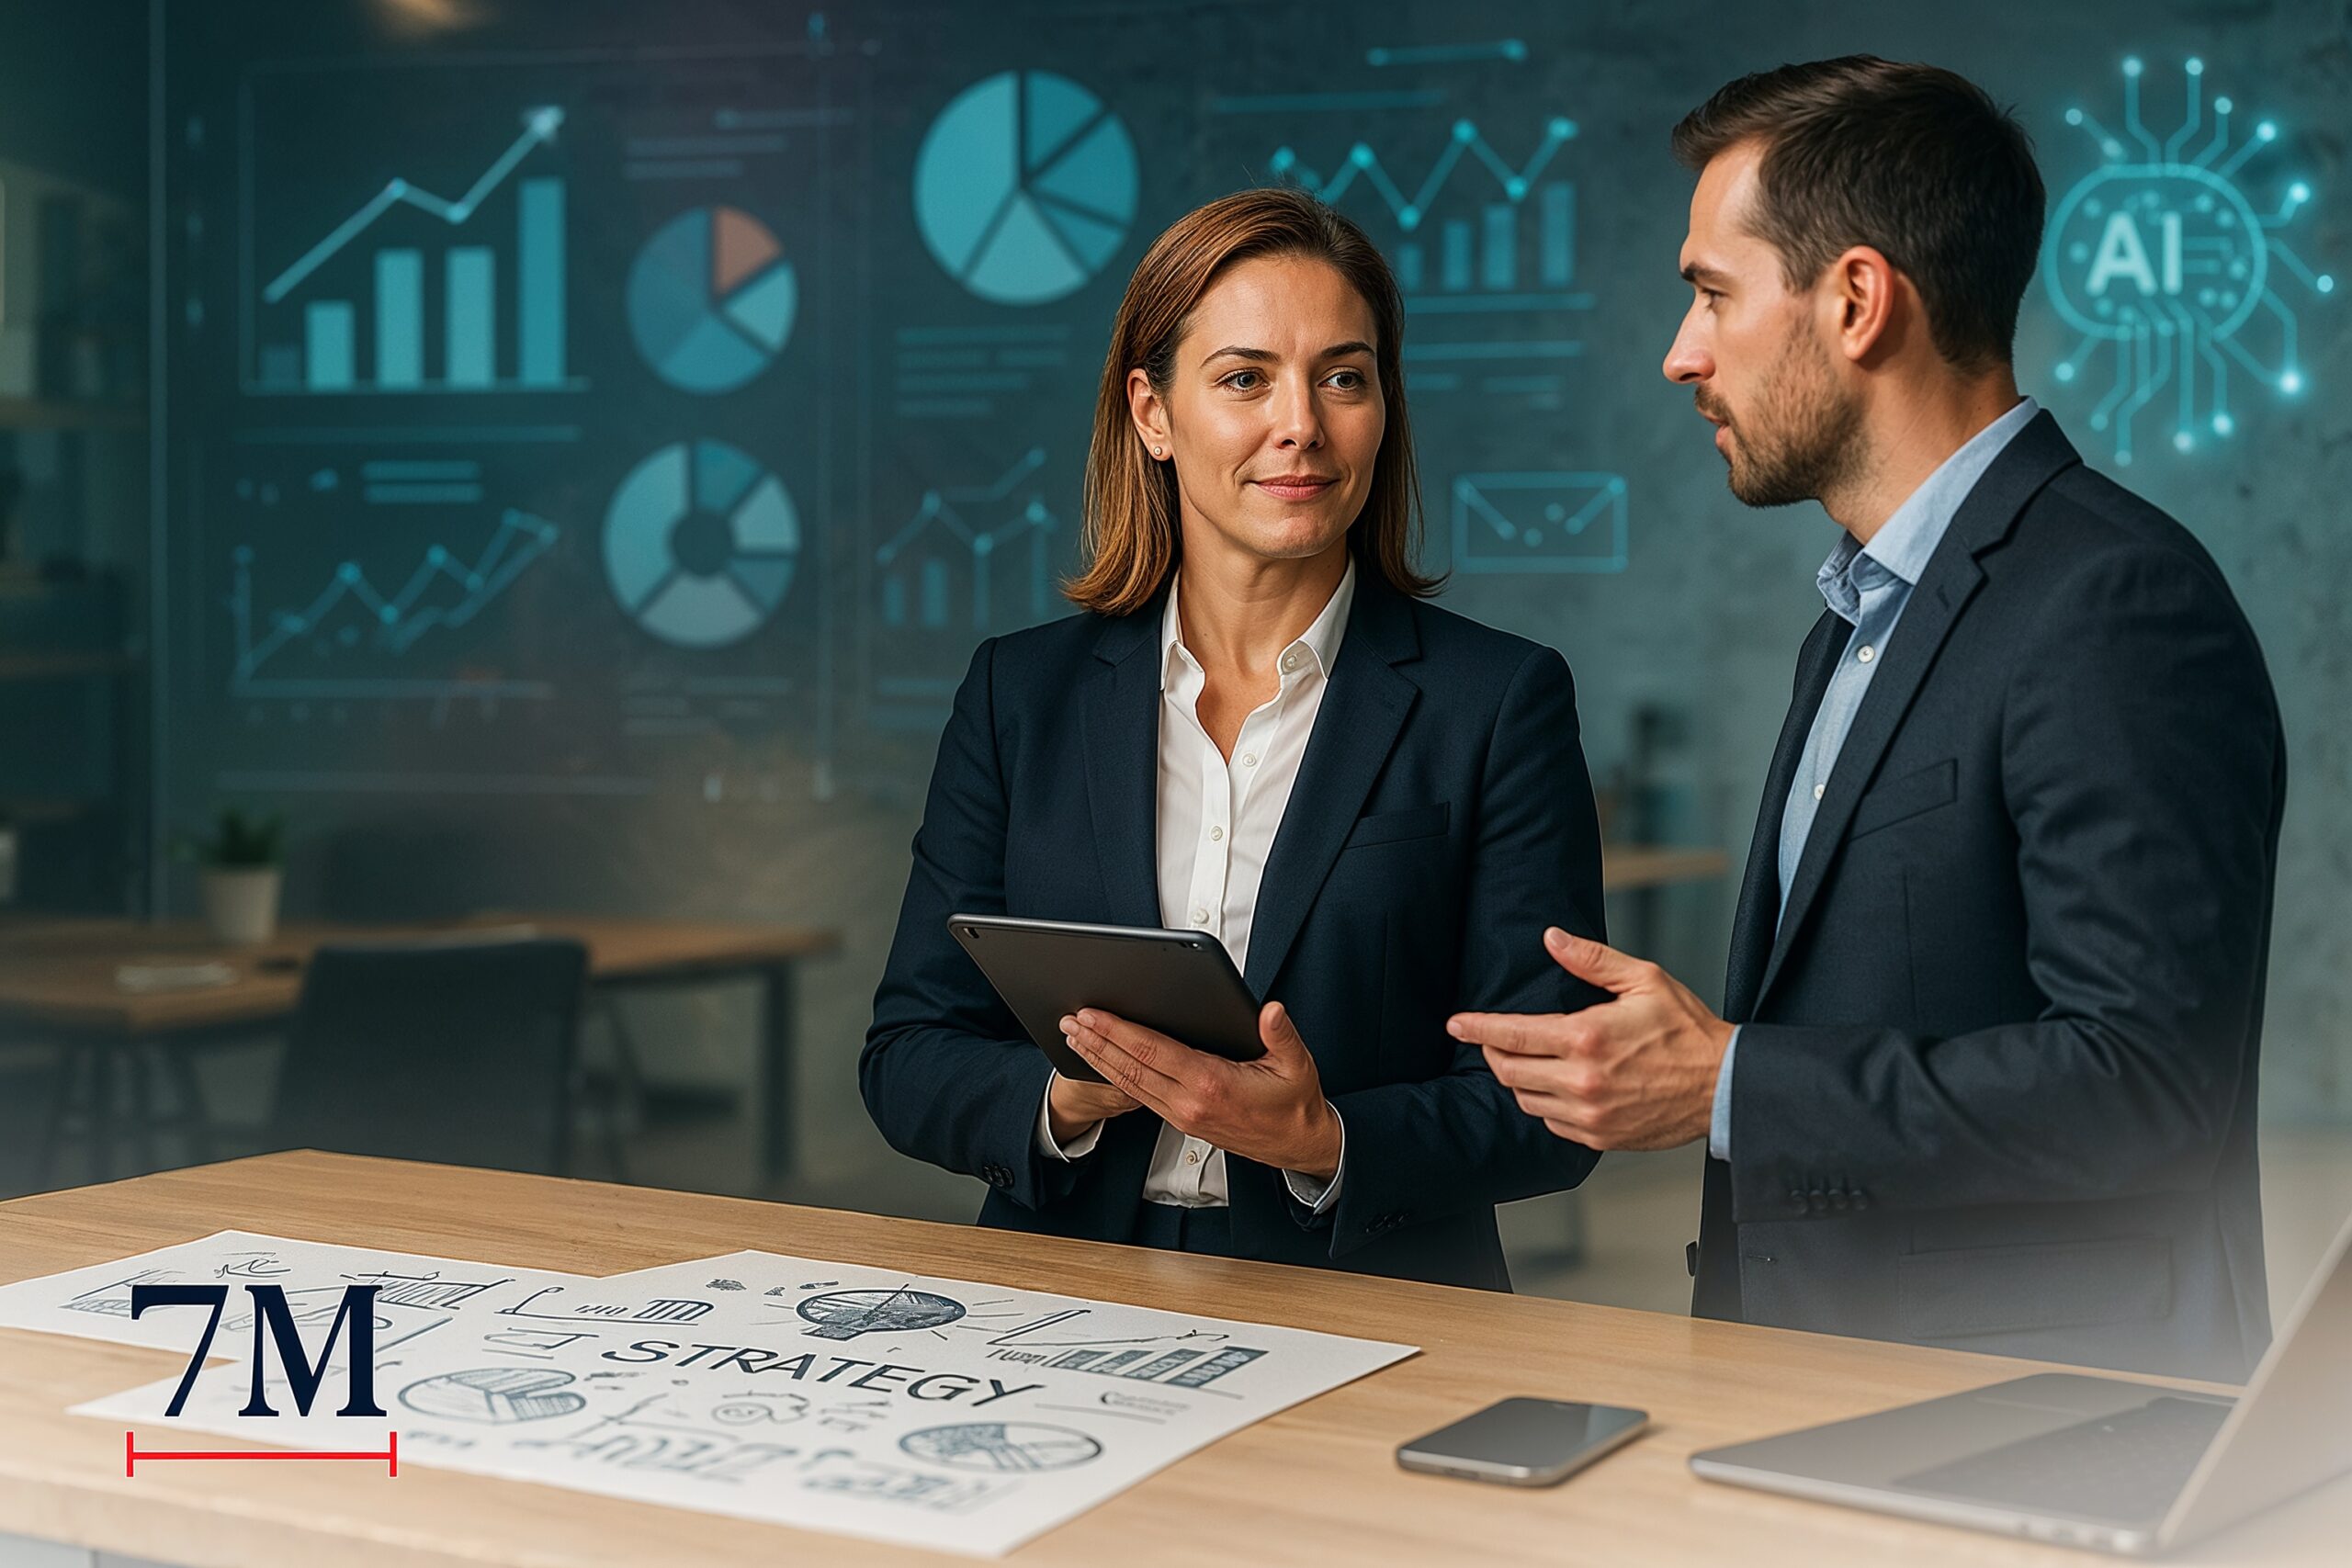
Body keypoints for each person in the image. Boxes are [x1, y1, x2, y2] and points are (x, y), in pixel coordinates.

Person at [1448, 58, 2285, 1379]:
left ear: (1854, 300)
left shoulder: (2117, 602)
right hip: (1823, 1389)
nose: (1682, 354)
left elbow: (2145, 1084)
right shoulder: (1860, 607)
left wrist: (1725, 1082)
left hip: (2034, 1426)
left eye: (1714, 295)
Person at [863, 187, 1607, 1289]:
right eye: (1244, 378)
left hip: (1369, 1304)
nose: (1300, 423)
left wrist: (1323, 1142)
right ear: (1152, 414)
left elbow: (1552, 1105)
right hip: (1064, 1300)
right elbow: (909, 1056)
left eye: (1343, 378)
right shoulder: (1019, 695)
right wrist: (1068, 1096)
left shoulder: (1496, 700)